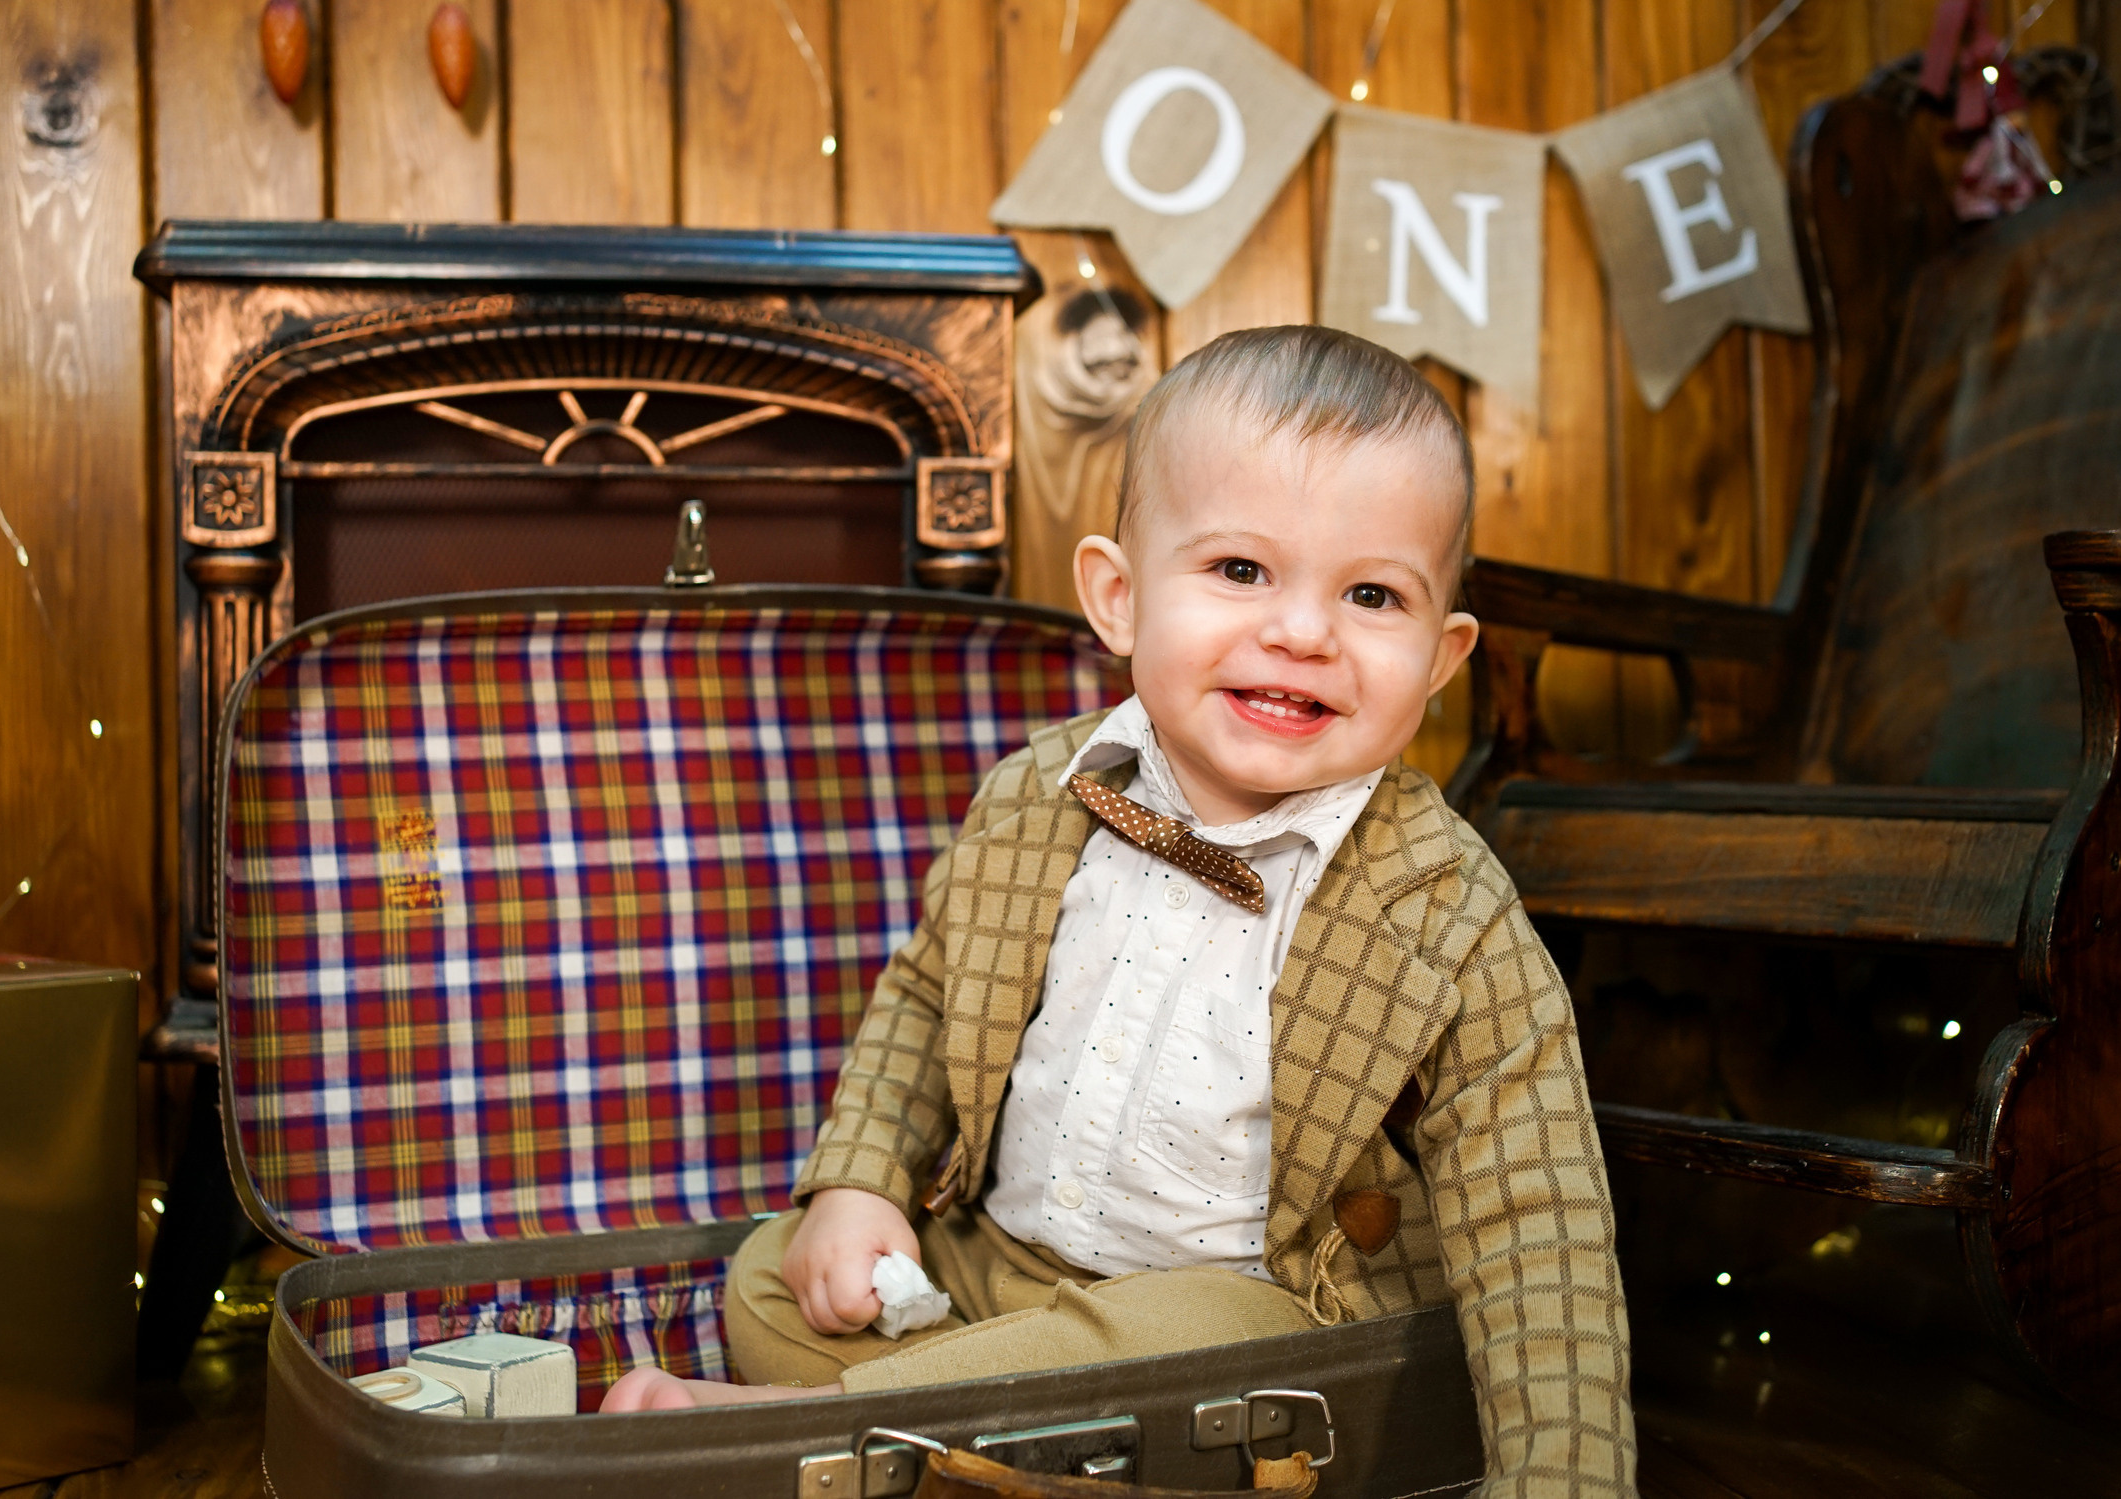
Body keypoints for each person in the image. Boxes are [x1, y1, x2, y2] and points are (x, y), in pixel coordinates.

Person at [603, 326, 1635, 1496]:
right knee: (774, 1270)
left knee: (1208, 1354)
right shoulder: (1039, 798)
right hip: (1003, 1267)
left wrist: (1561, 1485)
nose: (1303, 631)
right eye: (1241, 571)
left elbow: (1538, 1223)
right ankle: (963, 1437)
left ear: (1440, 658)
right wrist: (860, 1184)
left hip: (1241, 1316)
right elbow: (927, 996)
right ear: (1117, 597)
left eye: (1370, 593)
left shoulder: (1446, 911)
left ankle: (812, 1436)